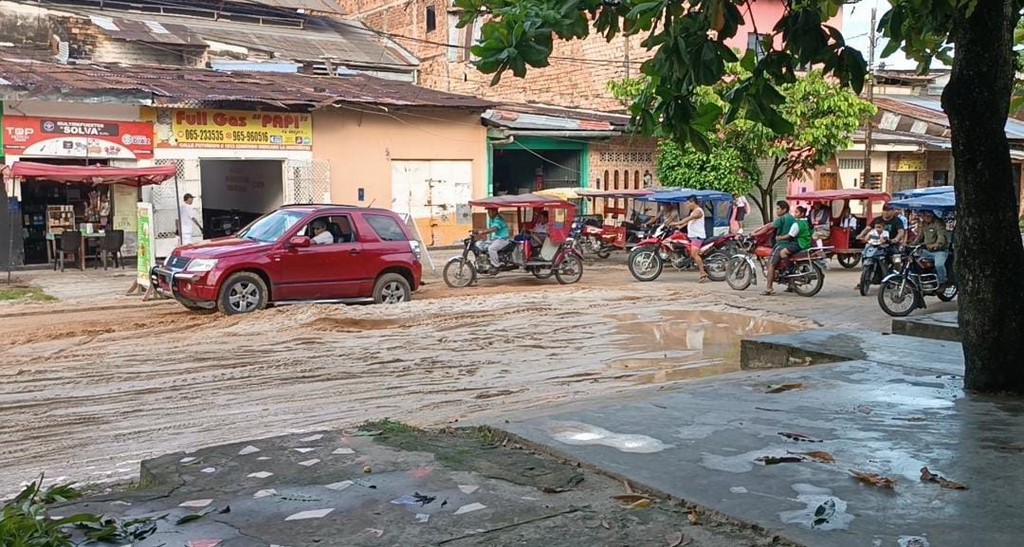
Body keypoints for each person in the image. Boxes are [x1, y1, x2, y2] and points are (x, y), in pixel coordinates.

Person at [761, 200, 799, 296]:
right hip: (792, 243)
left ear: (784, 209)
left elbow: (769, 226)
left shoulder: (783, 218)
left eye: (778, 209)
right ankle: (791, 285)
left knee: (771, 264)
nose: (776, 211)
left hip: (783, 244)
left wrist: (754, 233)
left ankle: (769, 288)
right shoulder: (792, 218)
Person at [673, 196, 709, 282]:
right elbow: (690, 221)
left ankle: (703, 273)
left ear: (693, 202)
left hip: (697, 236)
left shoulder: (698, 211)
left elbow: (689, 218)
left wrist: (677, 222)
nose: (687, 205)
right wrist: (680, 226)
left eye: (688, 203)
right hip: (692, 236)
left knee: (694, 254)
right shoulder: (694, 212)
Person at [913, 210, 950, 286]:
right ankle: (917, 281)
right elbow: (920, 236)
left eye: (926, 215)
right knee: (914, 260)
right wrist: (912, 244)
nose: (924, 217)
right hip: (927, 250)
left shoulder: (939, 223)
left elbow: (941, 237)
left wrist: (936, 245)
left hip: (939, 251)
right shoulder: (923, 224)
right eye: (922, 216)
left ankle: (943, 282)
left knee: (939, 265)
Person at [478, 208, 511, 273]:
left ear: (495, 211)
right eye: (488, 212)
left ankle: (496, 266)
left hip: (502, 239)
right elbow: (489, 228)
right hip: (495, 239)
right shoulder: (492, 219)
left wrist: (483, 232)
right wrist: (477, 231)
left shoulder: (499, 219)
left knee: (491, 248)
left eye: (489, 211)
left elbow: (494, 229)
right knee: (481, 244)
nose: (488, 213)